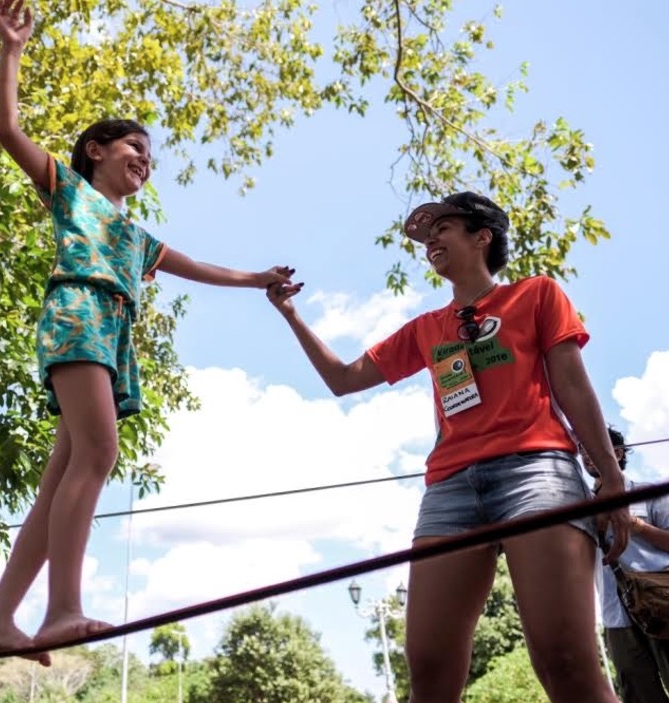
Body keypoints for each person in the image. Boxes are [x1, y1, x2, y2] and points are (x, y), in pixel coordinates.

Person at [0, 0, 293, 664]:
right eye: (134, 148)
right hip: (79, 313)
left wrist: (258, 277)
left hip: (109, 332)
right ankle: (61, 609)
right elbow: (8, 129)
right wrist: (11, 50)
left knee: (67, 468)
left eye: (149, 156)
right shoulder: (71, 191)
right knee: (99, 455)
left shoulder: (135, 234)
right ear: (97, 151)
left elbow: (197, 266)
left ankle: (0, 617)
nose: (145, 160)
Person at [267, 191, 631, 703]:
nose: (430, 240)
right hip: (450, 490)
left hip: (538, 474)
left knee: (565, 662)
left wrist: (611, 481)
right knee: (430, 673)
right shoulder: (425, 329)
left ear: (482, 237)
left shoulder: (537, 294)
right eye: (425, 234)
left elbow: (572, 383)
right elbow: (343, 379)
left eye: (443, 227)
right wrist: (290, 315)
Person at [582, 427, 669, 703]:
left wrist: (635, 524)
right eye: (582, 449)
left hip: (666, 607)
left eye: (592, 448)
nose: (585, 455)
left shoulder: (651, 494)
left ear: (617, 453)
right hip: (615, 614)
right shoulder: (580, 506)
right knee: (638, 694)